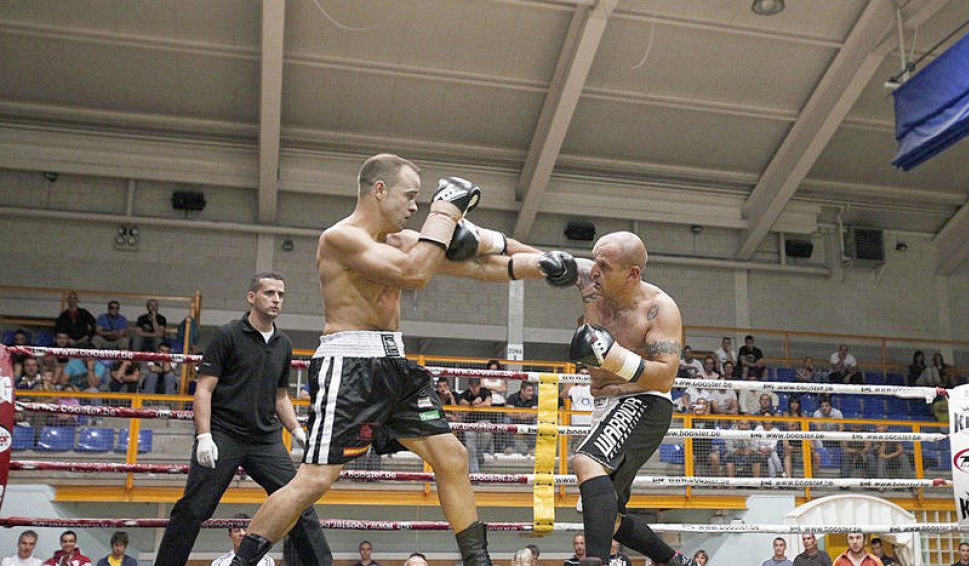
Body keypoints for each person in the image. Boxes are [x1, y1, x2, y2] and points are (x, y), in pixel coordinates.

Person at [228, 155, 577, 566]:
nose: (415, 207)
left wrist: (546, 263)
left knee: (453, 456)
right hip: (351, 366)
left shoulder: (402, 241)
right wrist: (445, 212)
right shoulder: (340, 239)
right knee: (315, 479)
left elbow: (482, 264)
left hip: (395, 366)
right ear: (379, 190)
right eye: (410, 196)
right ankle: (242, 562)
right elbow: (415, 274)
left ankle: (477, 562)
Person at [153, 273, 332, 566]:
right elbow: (204, 389)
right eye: (269, 293)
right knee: (192, 509)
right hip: (224, 434)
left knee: (299, 504)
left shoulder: (283, 344)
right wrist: (204, 436)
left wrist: (297, 430)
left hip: (265, 439)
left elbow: (280, 397)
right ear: (252, 297)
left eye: (281, 294)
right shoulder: (228, 335)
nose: (276, 299)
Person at [568, 231, 694, 566]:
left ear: (632, 273)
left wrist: (614, 357)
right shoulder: (592, 284)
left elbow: (665, 376)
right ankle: (675, 561)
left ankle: (595, 563)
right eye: (594, 260)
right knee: (602, 512)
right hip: (605, 406)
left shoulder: (659, 309)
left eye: (604, 265)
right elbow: (542, 260)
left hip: (645, 400)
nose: (595, 270)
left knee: (586, 461)